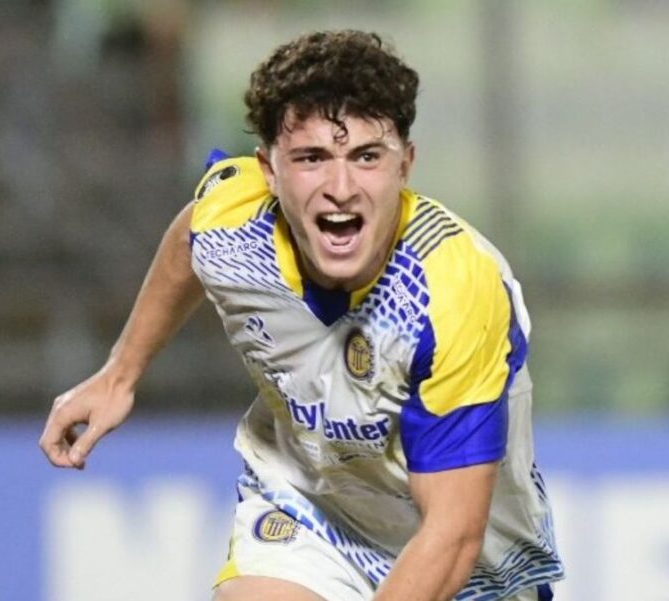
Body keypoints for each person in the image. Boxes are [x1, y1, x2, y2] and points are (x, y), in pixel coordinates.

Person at [40, 30, 564, 601]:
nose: (341, 188)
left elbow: (453, 534)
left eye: (366, 156)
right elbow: (191, 237)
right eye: (312, 158)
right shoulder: (238, 220)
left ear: (405, 165)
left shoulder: (452, 288)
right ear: (268, 170)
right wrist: (120, 373)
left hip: (464, 556)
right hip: (309, 511)